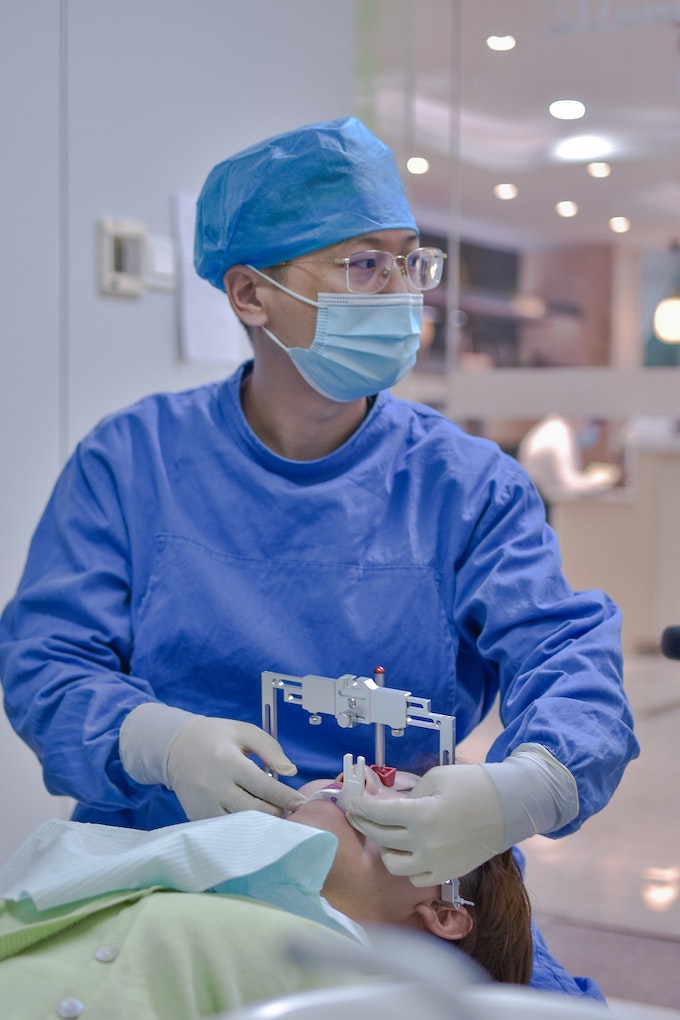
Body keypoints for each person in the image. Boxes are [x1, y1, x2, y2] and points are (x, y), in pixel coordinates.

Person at [0, 116, 638, 996]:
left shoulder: (465, 486)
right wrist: (156, 742)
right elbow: (48, 661)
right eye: (362, 264)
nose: (401, 292)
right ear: (250, 295)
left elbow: (569, 658)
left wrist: (523, 788)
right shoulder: (133, 461)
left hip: (380, 895)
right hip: (169, 861)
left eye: (411, 261)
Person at [0, 768, 532, 1018]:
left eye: (408, 798)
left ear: (446, 912)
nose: (375, 774)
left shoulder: (364, 998)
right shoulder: (185, 882)